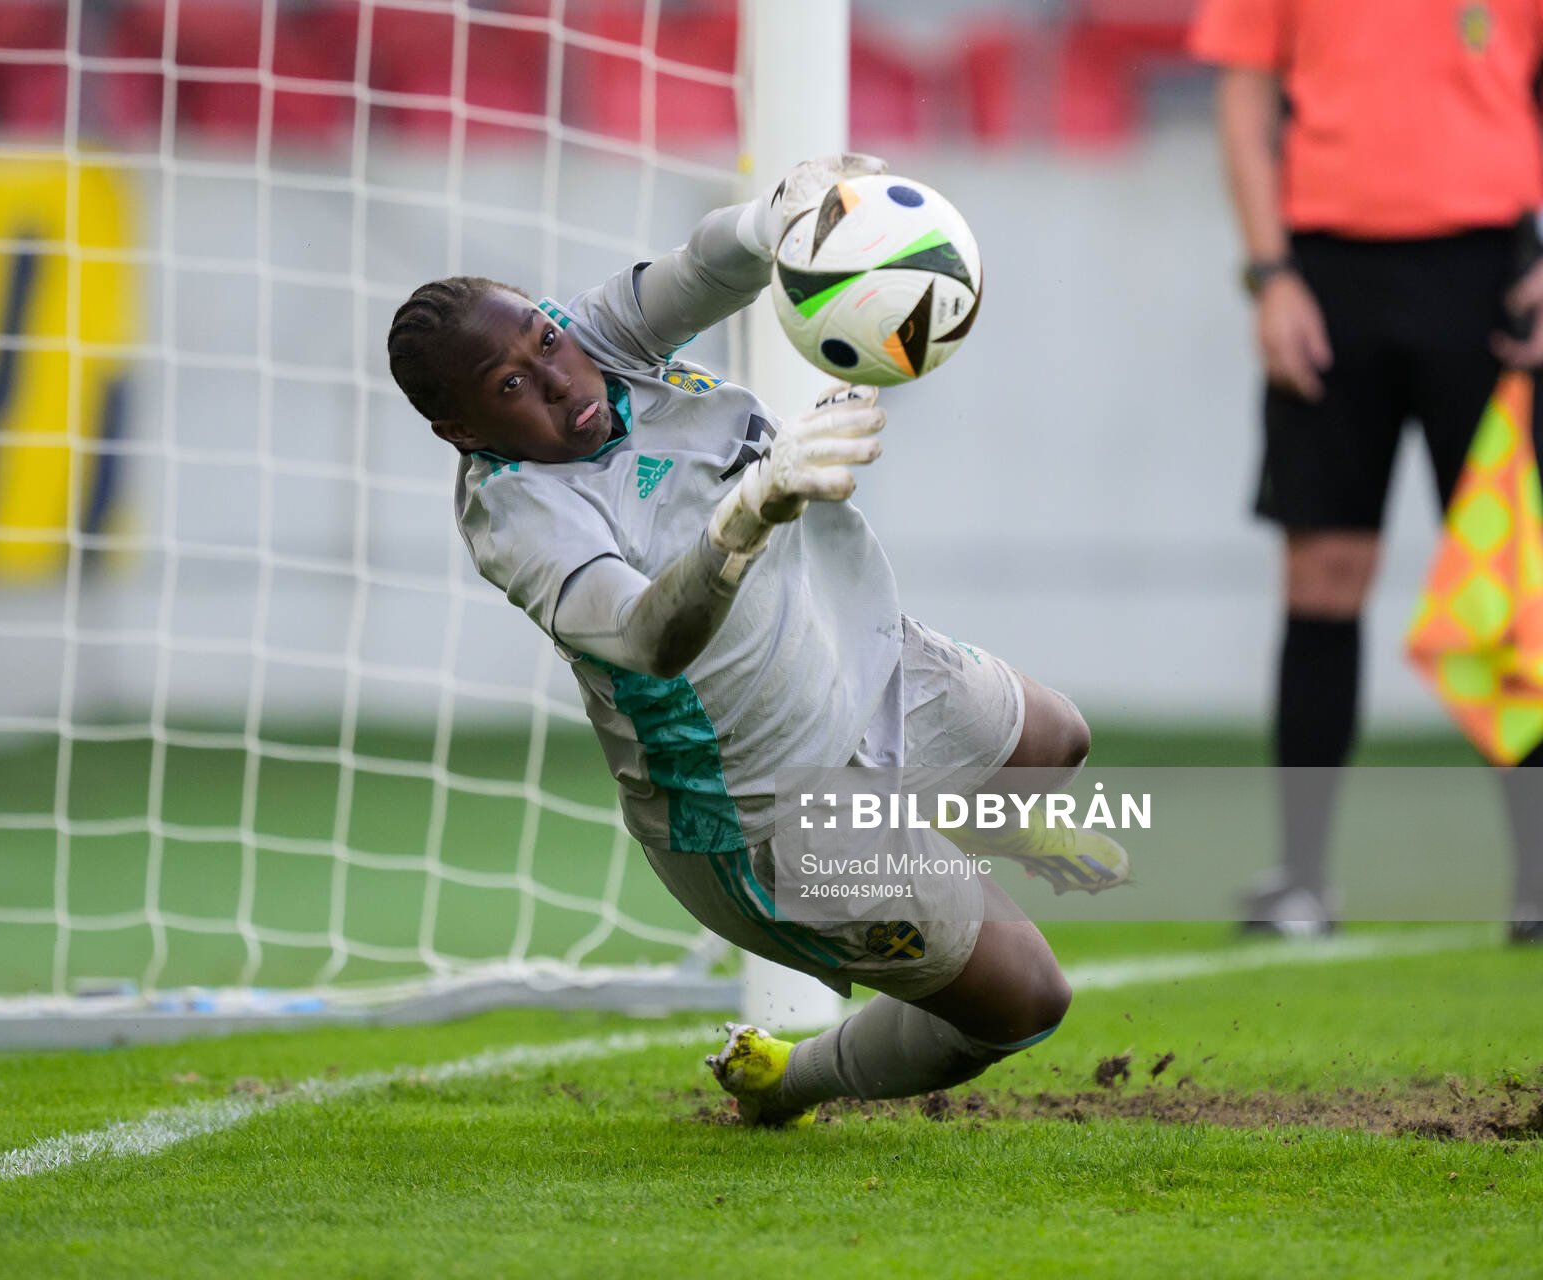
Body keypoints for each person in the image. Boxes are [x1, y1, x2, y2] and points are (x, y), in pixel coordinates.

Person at [386, 155, 1126, 1126]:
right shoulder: (519, 517)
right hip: (765, 812)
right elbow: (648, 635)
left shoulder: (598, 342)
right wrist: (751, 509)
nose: (559, 377)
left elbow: (705, 267)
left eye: (545, 338)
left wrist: (780, 219)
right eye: (512, 382)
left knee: (1054, 739)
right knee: (1028, 998)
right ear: (460, 430)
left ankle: (930, 842)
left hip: (863, 668)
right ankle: (790, 1077)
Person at [1193, 0, 1543, 943]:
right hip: (1325, 276)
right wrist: (1271, 277)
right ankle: (1303, 879)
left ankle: (1538, 880)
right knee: (1322, 571)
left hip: (1493, 275)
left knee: (1516, 578)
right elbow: (1243, 98)